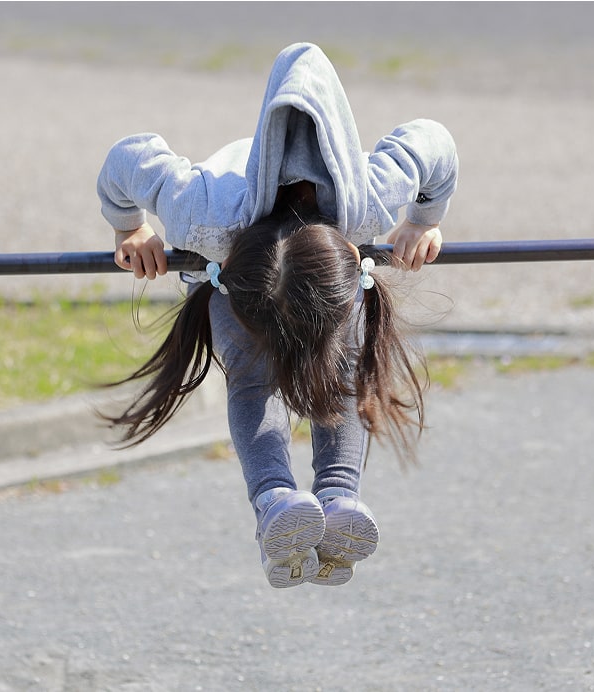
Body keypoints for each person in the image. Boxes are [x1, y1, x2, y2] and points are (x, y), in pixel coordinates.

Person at [96, 43, 458, 588]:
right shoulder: (204, 215)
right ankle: (274, 503)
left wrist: (424, 218)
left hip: (318, 273)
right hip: (236, 274)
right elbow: (127, 158)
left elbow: (434, 142)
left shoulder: (369, 200)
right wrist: (129, 227)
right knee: (253, 378)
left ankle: (339, 498)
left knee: (339, 370)